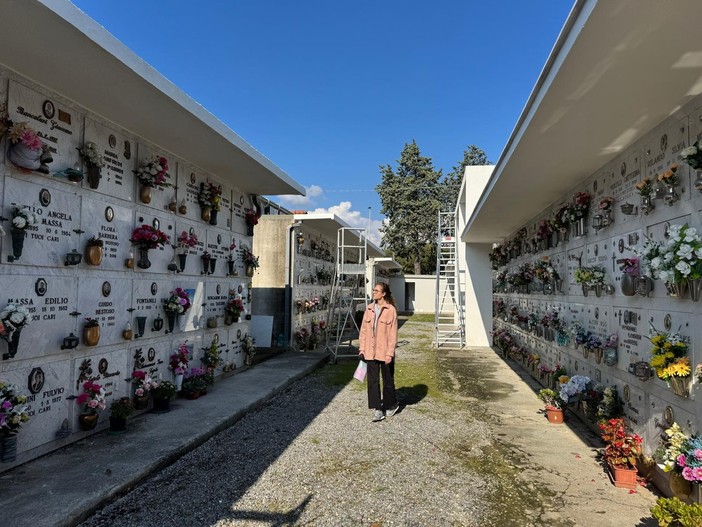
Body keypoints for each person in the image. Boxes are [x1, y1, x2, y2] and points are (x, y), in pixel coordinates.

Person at [359, 282, 399, 422]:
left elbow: (393, 334)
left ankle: (391, 404)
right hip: (370, 352)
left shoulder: (390, 310)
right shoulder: (369, 309)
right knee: (372, 381)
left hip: (385, 352)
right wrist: (362, 349)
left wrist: (390, 353)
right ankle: (377, 409)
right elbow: (364, 331)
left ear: (384, 293)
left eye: (376, 290)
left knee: (388, 380)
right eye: (373, 290)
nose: (374, 292)